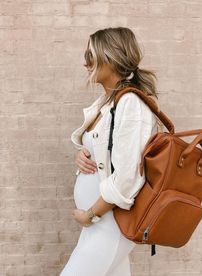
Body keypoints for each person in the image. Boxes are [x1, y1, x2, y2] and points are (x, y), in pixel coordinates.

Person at [60, 27, 163, 276]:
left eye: (90, 55)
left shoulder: (131, 105)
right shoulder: (109, 103)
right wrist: (85, 154)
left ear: (110, 58)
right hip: (100, 224)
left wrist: (90, 215)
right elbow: (106, 155)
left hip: (110, 223)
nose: (85, 63)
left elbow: (128, 177)